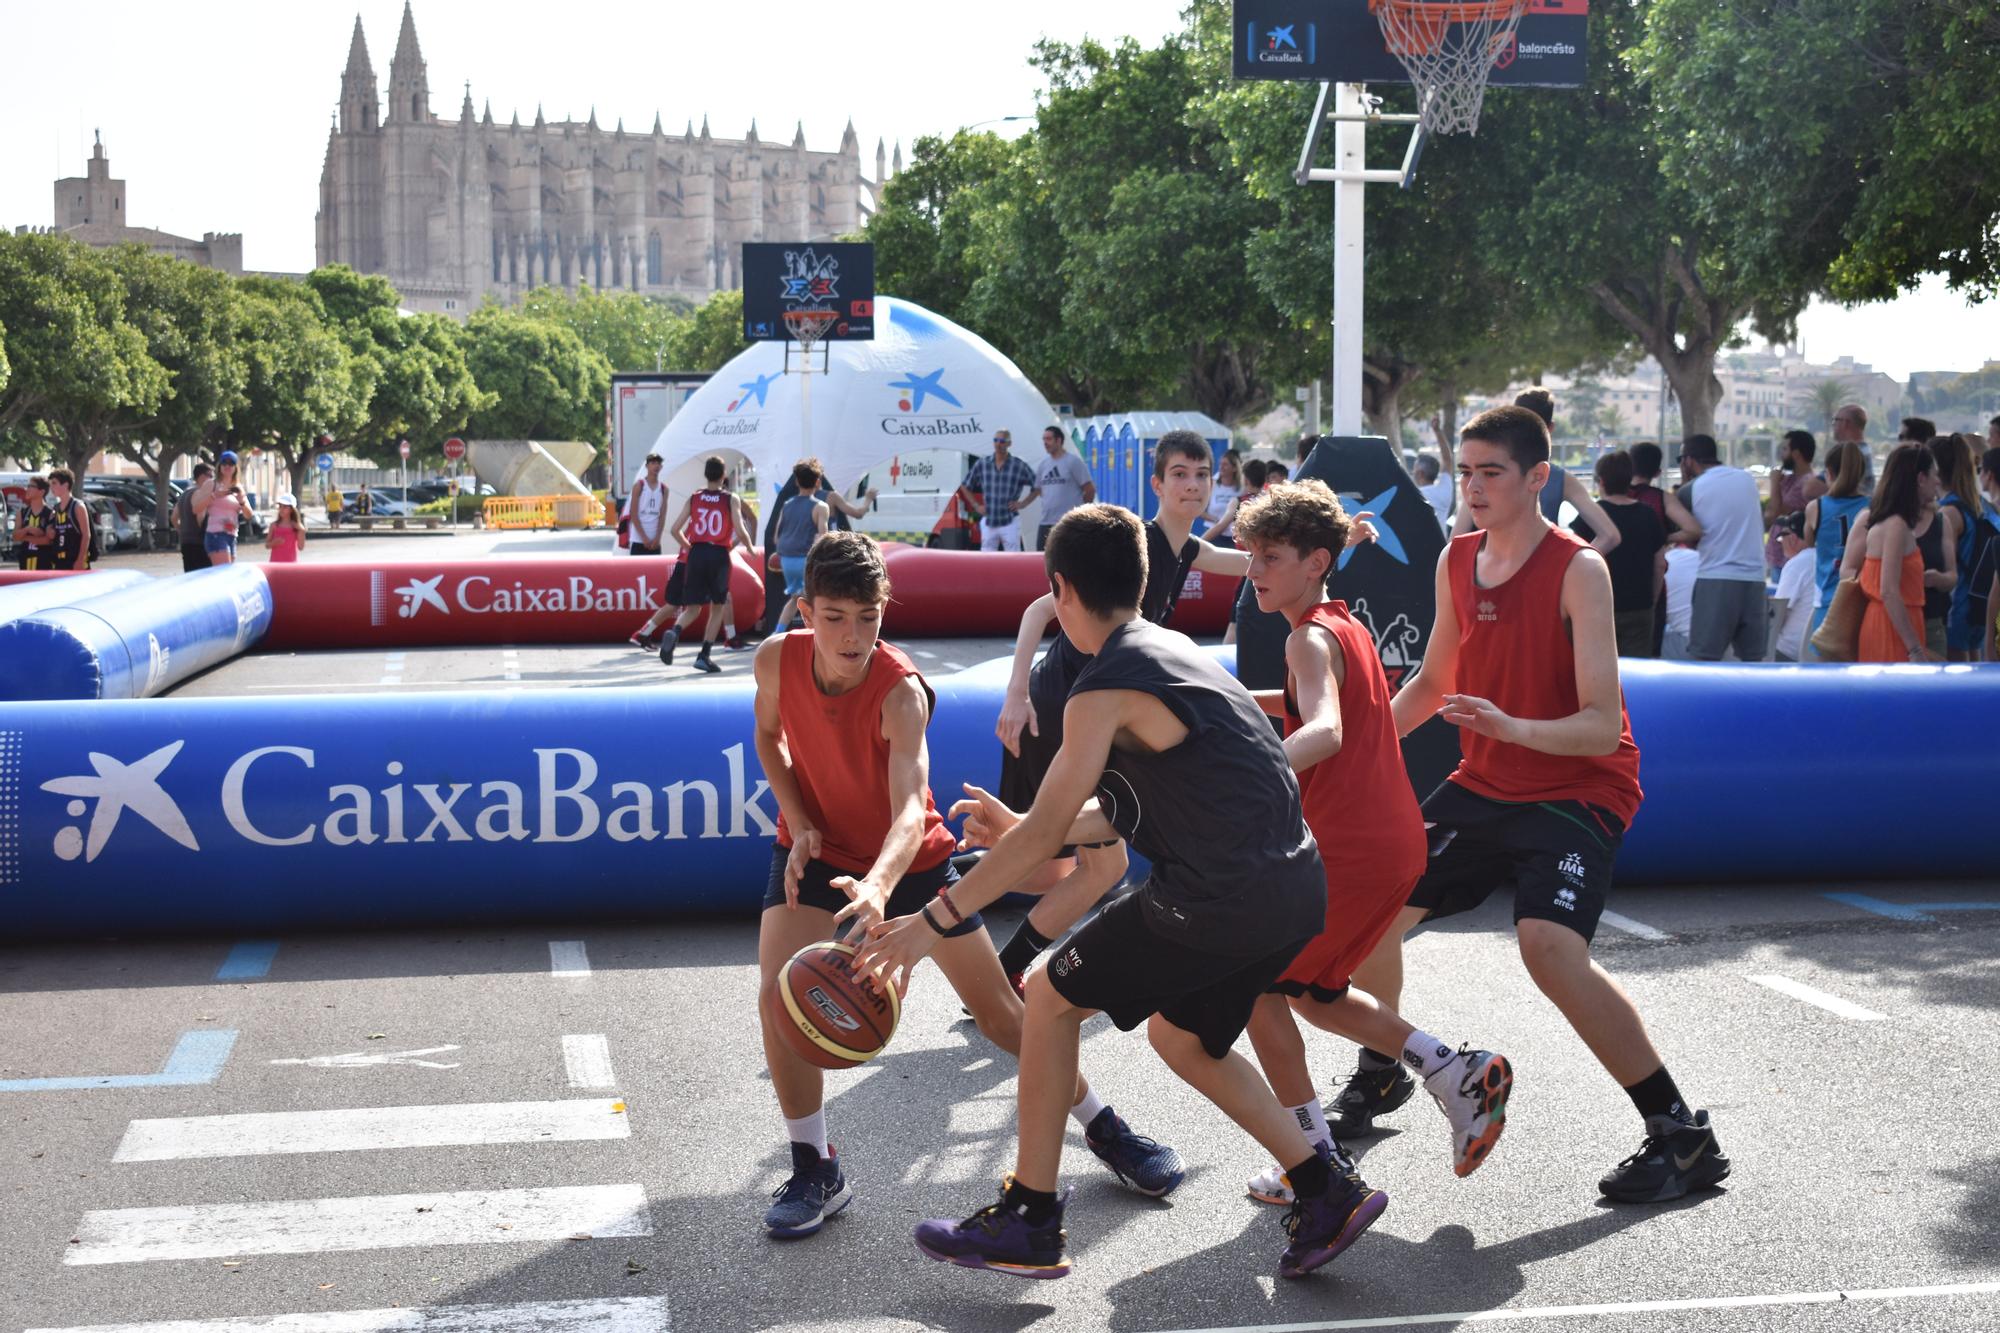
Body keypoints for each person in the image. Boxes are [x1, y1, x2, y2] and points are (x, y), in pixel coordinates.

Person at [860, 504, 1383, 1282]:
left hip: (1219, 895)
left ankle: (1031, 1214)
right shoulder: (1176, 650)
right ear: (1141, 579)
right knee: (1182, 1040)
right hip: (1294, 885)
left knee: (1046, 994)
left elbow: (1047, 840)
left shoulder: (1099, 689)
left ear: (1061, 590)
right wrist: (1032, 826)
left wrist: (929, 924)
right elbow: (1135, 808)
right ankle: (1326, 1186)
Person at [1338, 405, 1729, 1204]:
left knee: (1548, 948)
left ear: (1537, 478)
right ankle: (1383, 1072)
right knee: (1376, 906)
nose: (1474, 487)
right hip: (1487, 781)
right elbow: (1433, 683)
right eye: (1467, 472)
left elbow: (1595, 726)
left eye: (1492, 473)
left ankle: (1679, 1134)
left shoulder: (1579, 568)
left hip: (1580, 787)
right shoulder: (1456, 559)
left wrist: (1510, 725)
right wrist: (1353, 745)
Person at [750, 530, 1180, 1242]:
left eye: (868, 617)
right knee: (779, 997)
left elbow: (910, 811)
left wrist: (881, 888)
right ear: (804, 610)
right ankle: (814, 1164)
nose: (853, 636)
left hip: (909, 864)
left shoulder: (900, 695)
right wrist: (798, 819)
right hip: (818, 852)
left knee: (1005, 1018)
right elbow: (770, 738)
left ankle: (1107, 1129)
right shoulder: (776, 660)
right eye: (835, 617)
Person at [1233, 479, 1513, 1198]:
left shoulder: (1304, 639)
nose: (1254, 569)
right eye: (1251, 553)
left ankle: (1312, 1161)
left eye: (1270, 555)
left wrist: (1247, 772)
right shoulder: (1343, 624)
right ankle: (1452, 1068)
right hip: (1393, 838)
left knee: (1260, 987)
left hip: (1350, 845)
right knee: (1315, 990)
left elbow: (1325, 729)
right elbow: (1333, 706)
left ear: (1315, 561)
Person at [1454, 390, 1621, 557]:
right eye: (1465, 472)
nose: (1473, 483)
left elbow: (1455, 542)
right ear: (1551, 428)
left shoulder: (1477, 480)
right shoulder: (1562, 479)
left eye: (1491, 473)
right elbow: (1609, 536)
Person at [657, 456, 756, 673]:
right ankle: (704, 655)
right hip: (718, 555)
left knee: (692, 608)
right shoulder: (730, 499)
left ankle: (675, 631)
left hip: (697, 553)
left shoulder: (695, 497)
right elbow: (740, 529)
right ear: (723, 476)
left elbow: (675, 529)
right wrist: (749, 547)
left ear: (706, 475)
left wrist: (689, 547)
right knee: (718, 606)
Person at [1579, 450, 1680, 658]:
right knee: (1637, 672)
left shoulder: (1590, 517)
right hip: (1639, 607)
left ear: (1601, 481)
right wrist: (1651, 600)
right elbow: (1660, 564)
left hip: (1598, 606)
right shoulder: (1648, 515)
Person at [1675, 434, 1768, 661]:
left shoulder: (1690, 491)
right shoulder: (1746, 479)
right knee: (1754, 662)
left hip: (1715, 579)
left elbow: (1689, 535)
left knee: (1703, 660)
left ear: (1688, 460)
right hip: (1755, 580)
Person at [1845, 445, 1936, 664]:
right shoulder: (1896, 525)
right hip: (1892, 630)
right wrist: (1914, 649)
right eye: (1934, 475)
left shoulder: (1890, 522)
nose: (1938, 482)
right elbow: (1888, 591)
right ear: (1921, 478)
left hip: (1891, 624)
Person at [1802, 440, 1872, 651]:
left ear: (1828, 473)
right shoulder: (1872, 507)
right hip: (1863, 603)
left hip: (1829, 605)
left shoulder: (1816, 508)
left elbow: (1809, 545)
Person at [1931, 434, 1985, 661]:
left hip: (1957, 605)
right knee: (1975, 668)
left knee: (1958, 674)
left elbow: (1945, 562)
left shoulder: (1948, 512)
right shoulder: (1979, 506)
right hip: (1978, 602)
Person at [772, 458, 834, 632]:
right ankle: (818, 637)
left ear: (797, 481)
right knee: (818, 601)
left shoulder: (786, 505)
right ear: (818, 482)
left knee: (795, 599)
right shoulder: (820, 507)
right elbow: (824, 538)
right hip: (804, 561)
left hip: (786, 561)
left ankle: (776, 634)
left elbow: (777, 538)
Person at [964, 429, 1038, 552]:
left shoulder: (1018, 465)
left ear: (1009, 444)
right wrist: (976, 506)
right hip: (989, 521)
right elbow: (965, 485)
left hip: (1010, 520)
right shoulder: (983, 464)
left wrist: (1023, 504)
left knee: (1013, 558)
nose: (998, 444)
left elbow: (1037, 485)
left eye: (1002, 441)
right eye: (995, 440)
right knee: (987, 559)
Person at [1764, 430, 1826, 570]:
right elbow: (1768, 514)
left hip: (1790, 558)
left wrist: (1774, 483)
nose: (1781, 454)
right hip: (1779, 556)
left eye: (1785, 449)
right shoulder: (1788, 480)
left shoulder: (1805, 484)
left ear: (1796, 454)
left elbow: (1774, 513)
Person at [1033, 426, 1095, 550]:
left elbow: (1089, 489)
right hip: (1046, 522)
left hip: (1068, 523)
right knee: (1041, 559)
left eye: (1049, 439)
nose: (1045, 443)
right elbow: (1039, 490)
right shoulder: (1043, 465)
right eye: (1044, 439)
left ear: (1059, 440)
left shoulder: (1073, 461)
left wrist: (1080, 512)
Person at [1768, 512, 1816, 662]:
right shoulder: (1825, 559)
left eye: (1781, 538)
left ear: (1793, 538)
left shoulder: (1797, 563)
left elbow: (1778, 613)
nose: (1781, 543)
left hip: (1789, 652)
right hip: (1818, 650)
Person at [197, 451, 248, 566]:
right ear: (219, 466)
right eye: (224, 463)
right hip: (215, 534)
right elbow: (196, 509)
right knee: (224, 572)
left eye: (231, 463)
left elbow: (249, 515)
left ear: (236, 468)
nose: (227, 466)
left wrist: (242, 501)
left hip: (232, 535)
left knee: (227, 575)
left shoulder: (238, 487)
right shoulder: (211, 484)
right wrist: (214, 496)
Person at [39, 469, 93, 570]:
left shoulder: (78, 506)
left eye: (54, 483)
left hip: (75, 560)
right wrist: (49, 530)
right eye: (50, 484)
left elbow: (86, 535)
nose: (51, 487)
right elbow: (51, 531)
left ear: (66, 485)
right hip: (59, 560)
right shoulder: (56, 508)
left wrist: (80, 560)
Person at [171, 463, 214, 573]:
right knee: (204, 576)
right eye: (210, 476)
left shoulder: (185, 493)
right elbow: (200, 516)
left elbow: (174, 518)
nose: (212, 479)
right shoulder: (199, 493)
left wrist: (181, 530)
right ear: (201, 476)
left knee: (190, 577)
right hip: (199, 542)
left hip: (185, 542)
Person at [627, 452, 669, 556]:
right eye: (653, 463)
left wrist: (658, 538)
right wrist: (644, 538)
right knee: (637, 571)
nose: (656, 466)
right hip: (639, 540)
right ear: (647, 466)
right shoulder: (640, 485)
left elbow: (662, 516)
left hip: (654, 541)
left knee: (655, 572)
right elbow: (633, 514)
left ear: (661, 467)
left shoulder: (664, 489)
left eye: (658, 463)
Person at [14, 476, 55, 571]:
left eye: (30, 486)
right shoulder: (22, 512)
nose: (26, 489)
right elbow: (15, 536)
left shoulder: (50, 513)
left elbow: (47, 540)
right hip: (25, 561)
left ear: (41, 491)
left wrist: (24, 537)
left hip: (43, 562)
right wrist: (27, 529)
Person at [1204, 448, 1243, 543]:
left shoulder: (1242, 488)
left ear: (1234, 468)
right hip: (1212, 535)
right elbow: (1200, 510)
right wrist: (1215, 520)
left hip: (1233, 538)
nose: (1221, 467)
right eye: (1220, 464)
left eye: (1225, 464)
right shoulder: (1211, 484)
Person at [1830, 403, 1872, 486]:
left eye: (1836, 420)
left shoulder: (1851, 455)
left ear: (1846, 423)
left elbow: (1811, 488)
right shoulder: (1864, 451)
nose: (1833, 424)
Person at [1415, 453, 1453, 528]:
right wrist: (1441, 440)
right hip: (1442, 539)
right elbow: (1447, 460)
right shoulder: (1443, 492)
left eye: (1414, 469)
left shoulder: (1413, 495)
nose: (1413, 472)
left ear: (1420, 473)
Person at [266, 494, 305, 564]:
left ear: (291, 509)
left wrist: (302, 531)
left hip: (290, 565)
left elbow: (301, 547)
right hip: (274, 564)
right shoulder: (274, 525)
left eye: (285, 507)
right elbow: (267, 545)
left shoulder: (296, 527)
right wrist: (273, 543)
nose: (281, 509)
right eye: (280, 506)